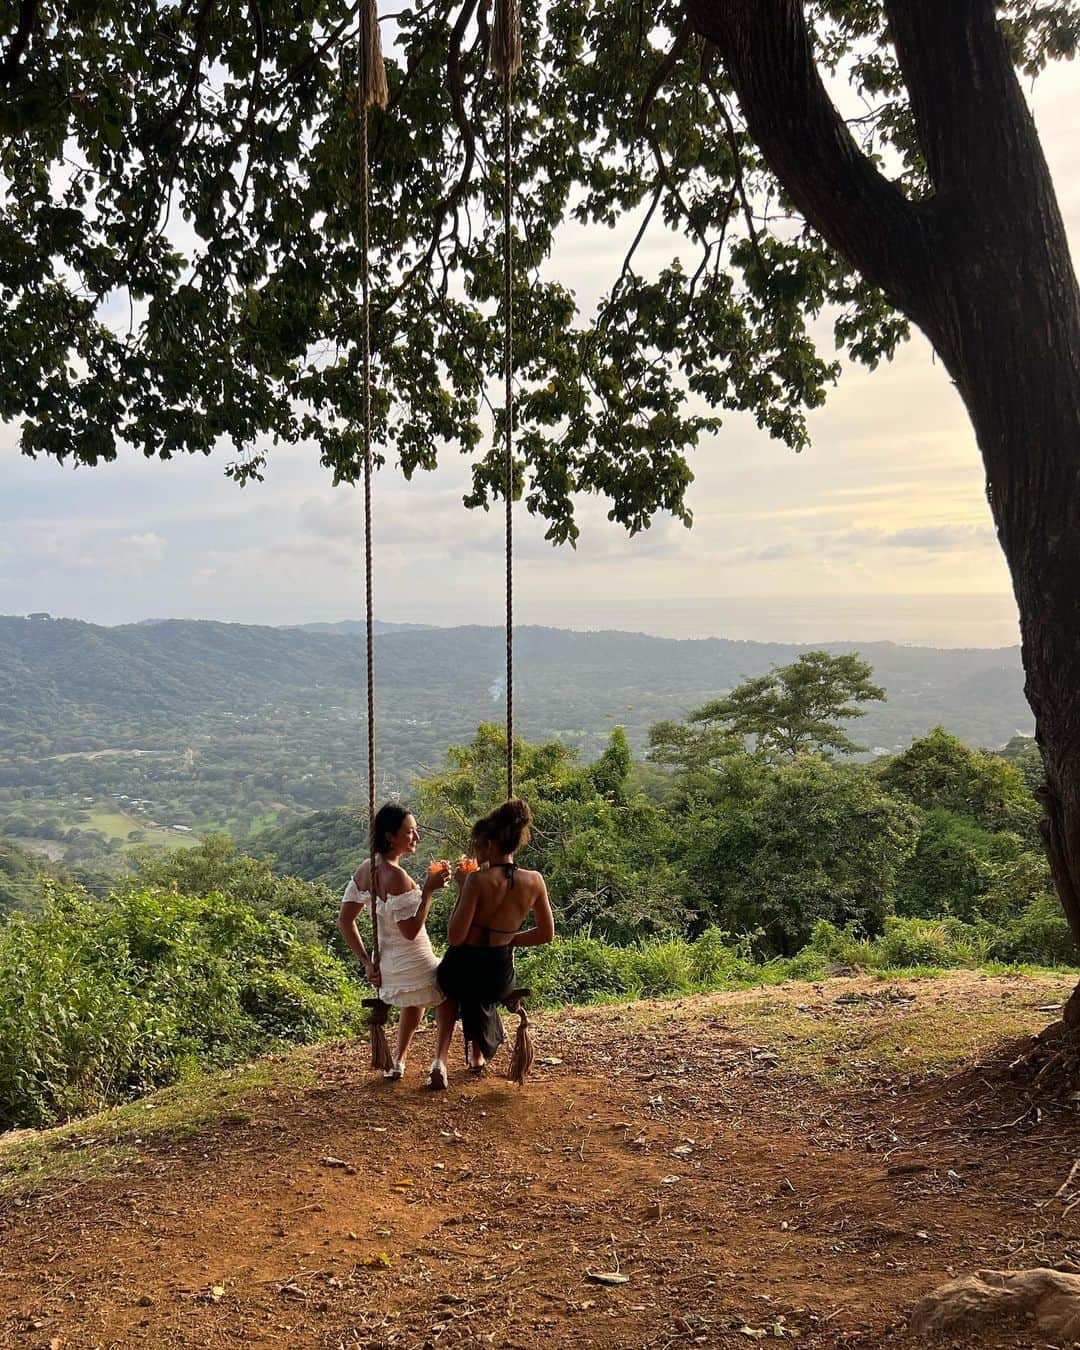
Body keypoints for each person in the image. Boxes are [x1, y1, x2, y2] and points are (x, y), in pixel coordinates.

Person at [430, 799, 554, 1089]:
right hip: (498, 975)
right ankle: (476, 1056)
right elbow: (546, 934)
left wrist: (462, 888)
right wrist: (508, 939)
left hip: (461, 970)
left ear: (488, 843)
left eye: (476, 843)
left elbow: (455, 937)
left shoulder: (477, 881)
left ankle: (440, 1060)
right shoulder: (534, 881)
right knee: (481, 993)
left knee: (450, 990)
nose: (474, 849)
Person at [338, 803, 456, 1082]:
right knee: (450, 990)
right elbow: (411, 931)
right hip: (414, 960)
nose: (416, 838)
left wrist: (367, 963)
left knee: (415, 1000)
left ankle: (398, 1062)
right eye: (410, 832)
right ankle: (439, 1061)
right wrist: (428, 890)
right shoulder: (397, 877)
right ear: (390, 836)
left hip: (389, 971)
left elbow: (344, 921)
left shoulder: (366, 868)